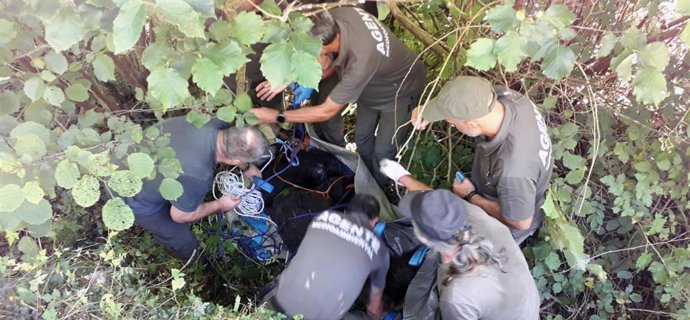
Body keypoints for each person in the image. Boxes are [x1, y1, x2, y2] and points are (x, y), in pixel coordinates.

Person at [378, 164, 540, 320]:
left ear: (425, 239)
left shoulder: (458, 295)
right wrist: (403, 177)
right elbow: (435, 199)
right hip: (524, 309)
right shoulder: (471, 214)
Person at [251, 6, 426, 185]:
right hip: (370, 89)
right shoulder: (336, 18)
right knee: (362, 138)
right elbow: (327, 64)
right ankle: (365, 177)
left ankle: (379, 187)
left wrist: (276, 116)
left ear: (322, 48)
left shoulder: (360, 63)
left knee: (383, 151)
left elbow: (325, 111)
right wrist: (288, 78)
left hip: (400, 93)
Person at [411, 76, 553, 244]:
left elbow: (520, 222)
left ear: (472, 124)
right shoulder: (508, 97)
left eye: (453, 123)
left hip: (510, 218)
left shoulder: (512, 170)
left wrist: (471, 195)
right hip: (518, 187)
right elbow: (465, 96)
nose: (451, 125)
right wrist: (428, 112)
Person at [125, 117, 268, 261]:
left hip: (127, 157)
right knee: (180, 238)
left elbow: (233, 144)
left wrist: (248, 167)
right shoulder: (199, 176)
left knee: (180, 191)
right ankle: (193, 261)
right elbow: (180, 216)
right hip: (130, 192)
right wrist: (220, 204)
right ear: (235, 161)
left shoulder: (211, 121)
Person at [262, 194, 390, 320]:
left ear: (345, 212)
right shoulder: (379, 251)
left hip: (270, 306)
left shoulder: (323, 218)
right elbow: (374, 308)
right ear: (375, 221)